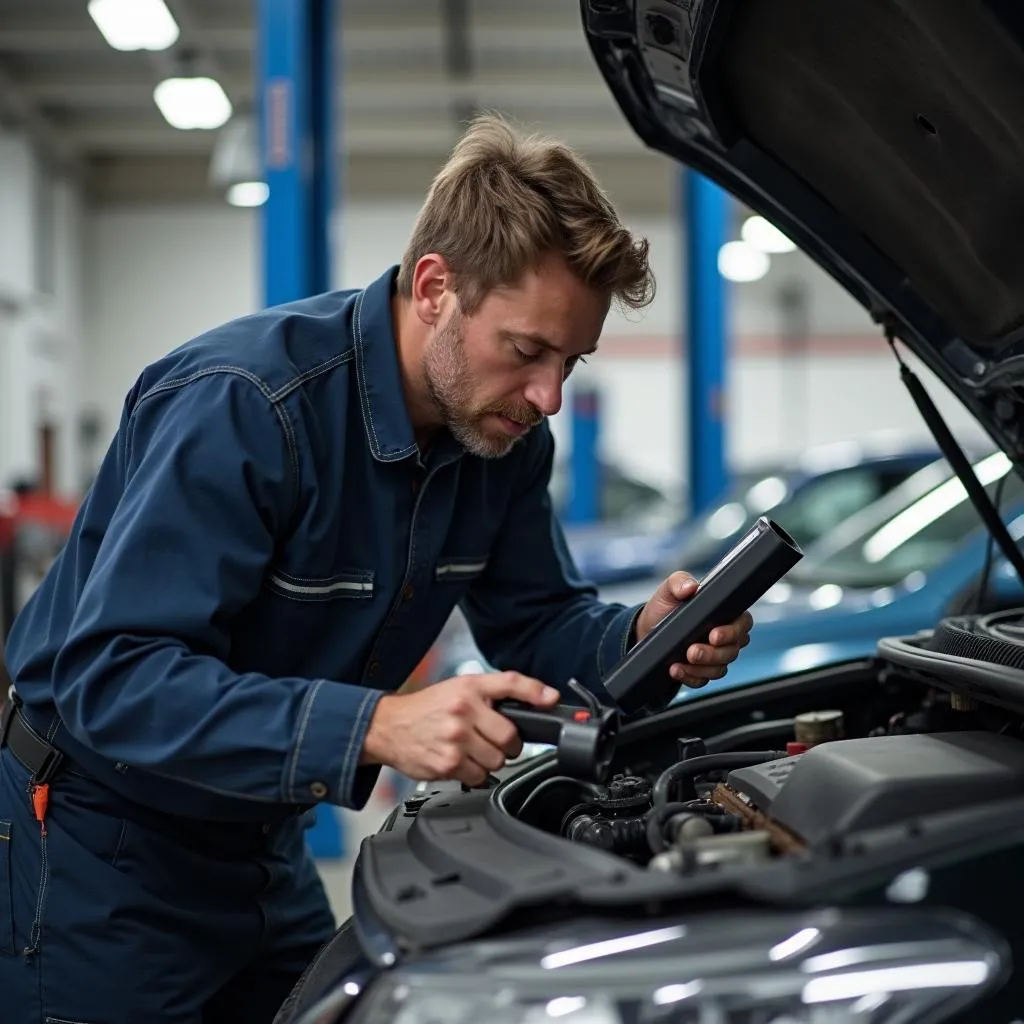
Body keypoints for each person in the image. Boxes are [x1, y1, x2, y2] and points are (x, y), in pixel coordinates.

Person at [0, 114, 753, 1024]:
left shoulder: (505, 440)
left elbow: (540, 625)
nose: (549, 396)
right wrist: (376, 725)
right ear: (435, 286)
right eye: (525, 351)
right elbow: (111, 677)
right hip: (98, 841)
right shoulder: (245, 408)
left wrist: (645, 638)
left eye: (570, 361)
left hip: (257, 836)